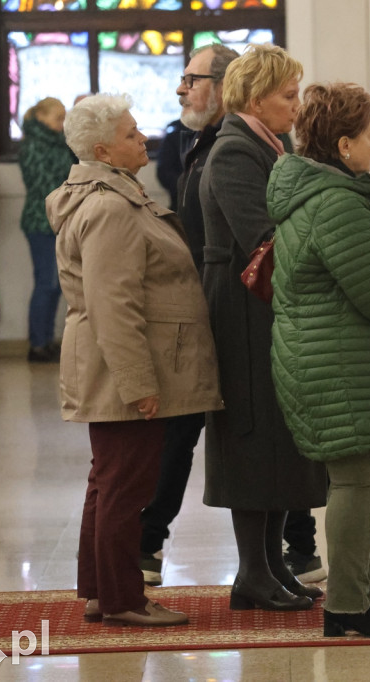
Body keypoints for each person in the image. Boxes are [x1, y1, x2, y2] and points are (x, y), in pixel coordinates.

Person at [47, 93, 223, 626]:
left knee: (110, 480)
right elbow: (113, 304)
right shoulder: (108, 208)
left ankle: (103, 590)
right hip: (120, 367)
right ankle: (125, 598)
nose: (142, 138)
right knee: (125, 484)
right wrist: (137, 383)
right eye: (130, 133)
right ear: (102, 149)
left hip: (113, 364)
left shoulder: (113, 197)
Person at [269, 82, 370, 637]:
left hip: (332, 352)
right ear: (343, 146)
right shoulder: (337, 202)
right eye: (369, 135)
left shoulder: (323, 192)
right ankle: (345, 605)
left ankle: (360, 594)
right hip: (337, 359)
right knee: (356, 482)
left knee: (358, 480)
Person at [200, 43, 327, 612]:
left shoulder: (266, 144)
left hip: (265, 302)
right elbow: (260, 236)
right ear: (255, 99)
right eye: (288, 96)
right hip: (243, 306)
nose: (297, 108)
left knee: (277, 436)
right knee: (253, 433)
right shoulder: (233, 151)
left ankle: (273, 565)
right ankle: (253, 573)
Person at [138, 43, 238, 587]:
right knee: (179, 428)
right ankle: (148, 544)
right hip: (201, 304)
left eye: (190, 79)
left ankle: (297, 543)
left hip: (233, 308)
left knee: (260, 424)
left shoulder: (235, 145)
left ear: (222, 87)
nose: (180, 88)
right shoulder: (198, 141)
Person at [18, 97, 74, 363]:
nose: (62, 125)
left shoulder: (58, 143)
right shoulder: (31, 145)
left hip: (57, 219)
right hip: (41, 221)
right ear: (41, 117)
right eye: (58, 119)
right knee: (46, 283)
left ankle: (47, 339)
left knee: (55, 285)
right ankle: (37, 343)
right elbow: (43, 184)